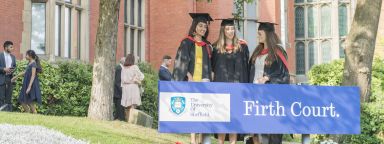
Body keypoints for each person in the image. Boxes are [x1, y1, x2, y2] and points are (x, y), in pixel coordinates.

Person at [173, 13, 213, 144]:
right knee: (192, 111)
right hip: (191, 83)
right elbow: (182, 61)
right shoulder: (187, 42)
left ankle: (202, 140)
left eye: (205, 27)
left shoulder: (207, 45)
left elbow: (211, 64)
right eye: (200, 26)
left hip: (204, 83)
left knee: (203, 111)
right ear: (194, 26)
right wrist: (188, 76)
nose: (203, 29)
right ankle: (192, 140)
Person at [249, 22, 290, 144]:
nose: (258, 36)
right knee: (255, 130)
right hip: (255, 94)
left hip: (270, 96)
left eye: (260, 33)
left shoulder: (278, 52)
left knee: (271, 127)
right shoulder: (258, 51)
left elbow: (284, 75)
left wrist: (268, 78)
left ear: (267, 34)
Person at [212, 18, 249, 144]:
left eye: (232, 28)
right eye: (227, 28)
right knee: (222, 120)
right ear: (223, 30)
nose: (230, 31)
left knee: (234, 120)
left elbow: (246, 68)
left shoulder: (242, 47)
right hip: (221, 89)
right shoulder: (215, 47)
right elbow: (212, 69)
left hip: (237, 89)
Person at [121, 54, 144, 121]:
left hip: (125, 87)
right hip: (133, 87)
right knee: (133, 105)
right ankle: (131, 121)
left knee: (127, 106)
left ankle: (127, 119)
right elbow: (142, 76)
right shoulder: (134, 67)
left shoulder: (123, 68)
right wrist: (136, 79)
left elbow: (122, 80)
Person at [0, 41, 16, 112]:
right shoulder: (0, 55)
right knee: (1, 96)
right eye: (11, 47)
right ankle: (1, 111)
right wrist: (4, 69)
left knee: (9, 96)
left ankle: (9, 111)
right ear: (6, 47)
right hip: (1, 78)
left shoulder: (13, 57)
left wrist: (12, 70)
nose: (12, 48)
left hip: (10, 78)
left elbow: (14, 66)